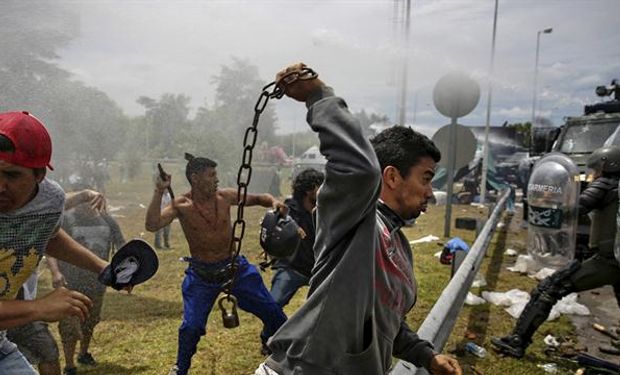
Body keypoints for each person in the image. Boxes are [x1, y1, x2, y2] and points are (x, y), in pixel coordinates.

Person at [255, 63, 461, 375]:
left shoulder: (400, 247)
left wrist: (426, 356)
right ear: (391, 177)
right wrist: (318, 95)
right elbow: (360, 168)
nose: (430, 193)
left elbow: (384, 322)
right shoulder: (352, 218)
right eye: (426, 179)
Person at [0, 111, 130, 374]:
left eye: (12, 175)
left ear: (39, 175)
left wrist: (102, 267)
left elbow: (48, 234)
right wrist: (38, 307)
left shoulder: (49, 200)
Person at [145, 153, 288, 375]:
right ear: (195, 178)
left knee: (275, 314)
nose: (216, 179)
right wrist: (159, 190)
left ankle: (281, 353)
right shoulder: (181, 204)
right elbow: (153, 224)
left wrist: (275, 202)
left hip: (236, 270)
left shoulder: (225, 197)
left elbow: (261, 198)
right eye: (211, 175)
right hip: (201, 276)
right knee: (191, 327)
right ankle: (180, 368)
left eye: (216, 174)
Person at [492, 145, 620, 358]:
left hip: (610, 261)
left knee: (550, 288)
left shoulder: (606, 185)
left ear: (608, 166)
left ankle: (517, 341)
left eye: (597, 168)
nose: (593, 173)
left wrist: (546, 207)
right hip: (617, 258)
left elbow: (576, 209)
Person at [58, 194, 125, 375]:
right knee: (69, 323)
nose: (86, 208)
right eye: (82, 203)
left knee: (91, 319)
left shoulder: (108, 221)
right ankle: (69, 364)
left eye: (90, 204)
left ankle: (84, 353)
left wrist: (126, 270)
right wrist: (56, 273)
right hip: (70, 281)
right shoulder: (66, 221)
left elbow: (121, 245)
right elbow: (51, 248)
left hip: (97, 281)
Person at [269, 168, 324, 308]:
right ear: (308, 190)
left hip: (319, 269)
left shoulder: (325, 209)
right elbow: (274, 228)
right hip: (292, 268)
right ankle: (271, 330)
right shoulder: (290, 208)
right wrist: (292, 226)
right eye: (320, 185)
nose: (324, 189)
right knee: (273, 306)